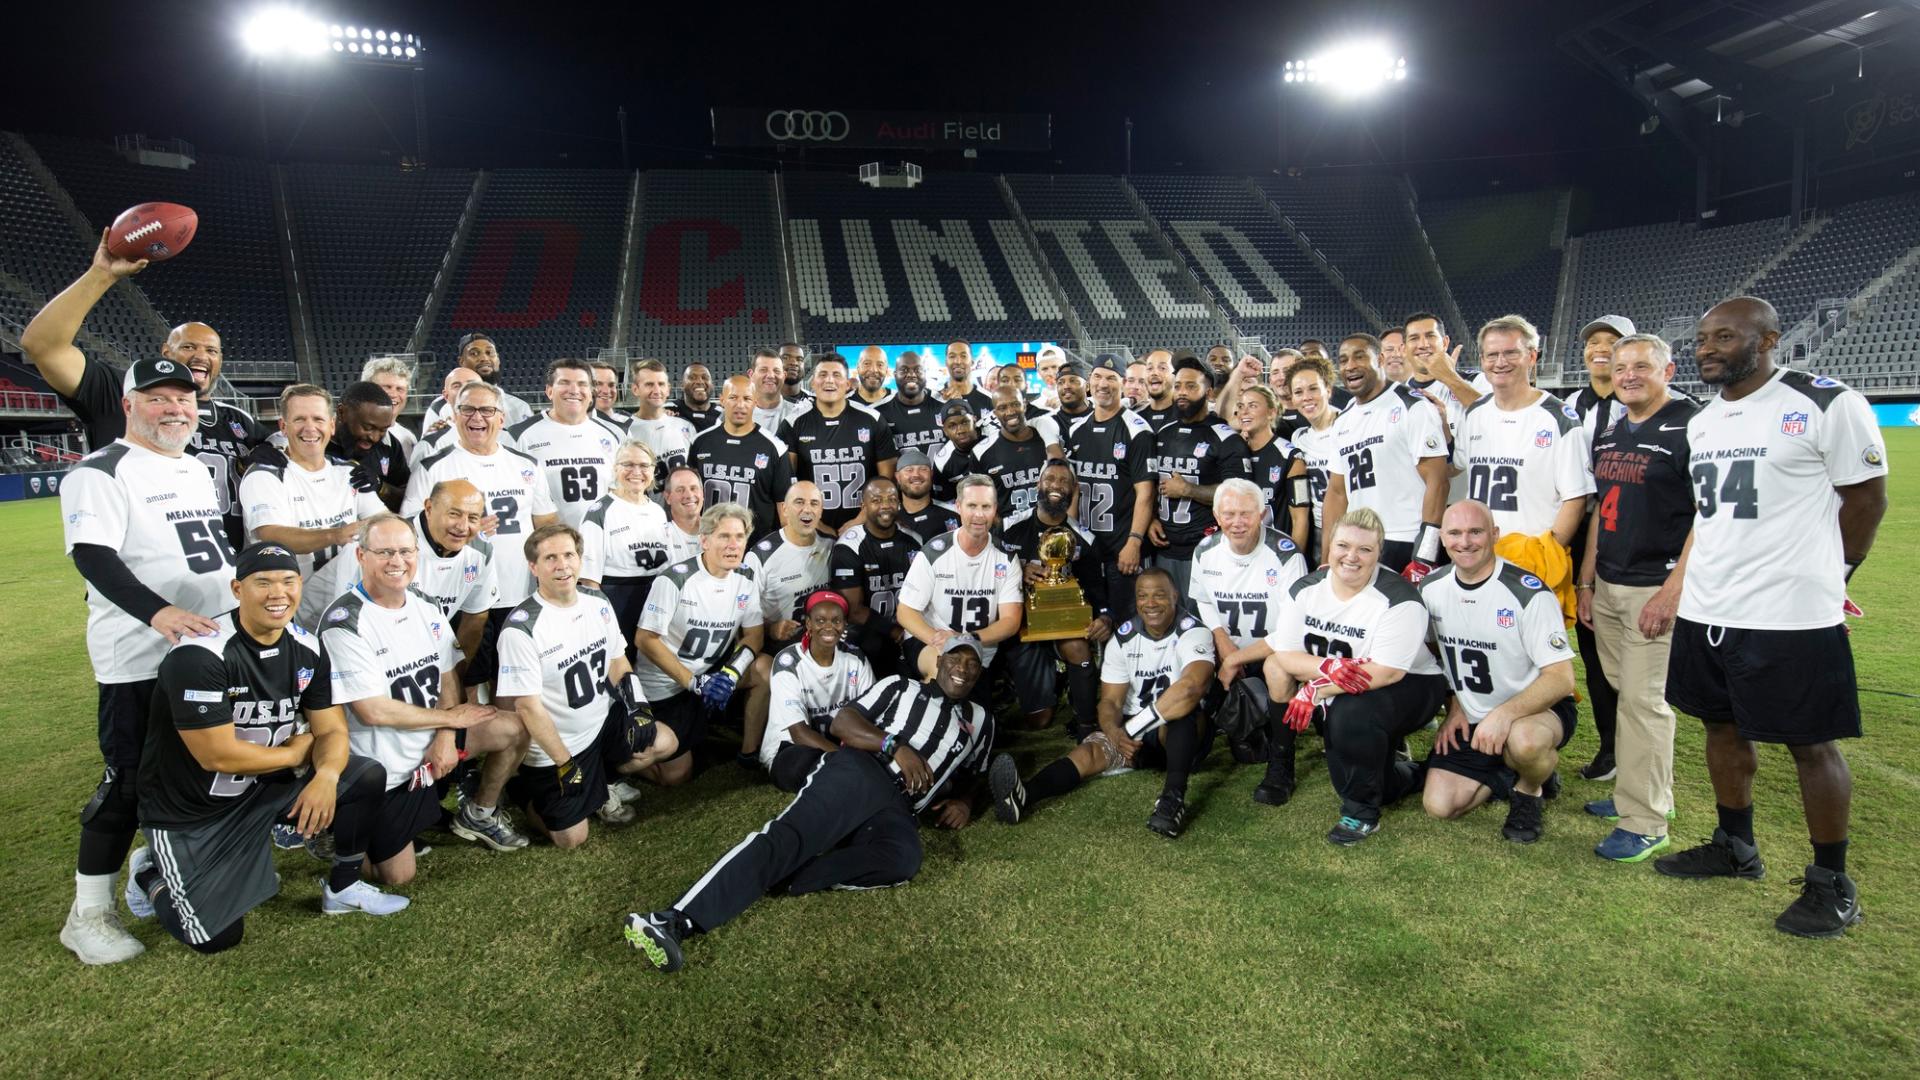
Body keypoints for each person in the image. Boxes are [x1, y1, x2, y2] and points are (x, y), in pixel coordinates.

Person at [1654, 296, 1887, 939]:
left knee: (1810, 743)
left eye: (1725, 337)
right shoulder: (1704, 421)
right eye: (1702, 338)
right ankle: (1736, 846)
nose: (1707, 348)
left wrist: (1834, 577)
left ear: (1769, 339)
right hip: (1710, 604)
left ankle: (1833, 883)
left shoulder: (1824, 401)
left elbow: (1866, 499)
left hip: (1789, 612)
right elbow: (1710, 515)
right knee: (1721, 727)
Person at [623, 635, 994, 973]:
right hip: (863, 771)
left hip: (901, 810)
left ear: (979, 672)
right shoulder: (901, 686)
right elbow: (843, 723)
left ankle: (790, 877)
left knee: (903, 860)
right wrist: (894, 746)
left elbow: (978, 774)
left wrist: (963, 800)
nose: (962, 669)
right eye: (955, 659)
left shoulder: (981, 721)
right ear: (940, 660)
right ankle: (673, 920)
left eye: (972, 664)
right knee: (790, 836)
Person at [126, 543, 400, 956]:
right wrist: (294, 755)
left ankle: (343, 887)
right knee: (214, 937)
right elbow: (217, 755)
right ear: (237, 589)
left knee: (362, 775)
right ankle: (150, 875)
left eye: (289, 581)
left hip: (260, 790)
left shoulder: (305, 646)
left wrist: (325, 776)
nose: (278, 593)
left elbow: (331, 731)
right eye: (263, 582)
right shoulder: (202, 654)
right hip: (193, 810)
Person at [57, 357, 240, 965]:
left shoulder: (190, 467)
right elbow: (93, 557)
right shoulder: (100, 470)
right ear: (129, 404)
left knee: (195, 771)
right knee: (128, 781)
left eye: (183, 398)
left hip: (205, 652)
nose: (175, 408)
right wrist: (157, 612)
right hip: (138, 658)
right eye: (158, 397)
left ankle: (154, 863)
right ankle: (87, 915)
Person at [23, 234, 269, 547]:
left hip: (229, 579)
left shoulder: (239, 422)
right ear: (167, 353)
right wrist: (102, 275)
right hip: (148, 580)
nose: (202, 356)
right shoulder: (122, 394)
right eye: (189, 346)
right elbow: (42, 345)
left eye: (212, 350)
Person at [1219, 509, 1449, 844]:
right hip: (1347, 681)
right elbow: (1285, 652)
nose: (1351, 557)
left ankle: (1360, 814)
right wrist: (1326, 669)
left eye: (1365, 550)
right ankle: (1287, 765)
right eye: (1343, 545)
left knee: (1349, 714)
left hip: (1410, 684)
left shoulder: (1399, 598)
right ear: (1329, 545)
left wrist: (1317, 690)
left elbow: (1386, 672)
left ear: (1379, 553)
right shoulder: (1307, 588)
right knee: (1276, 668)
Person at [321, 514, 533, 875]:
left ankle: (479, 812)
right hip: (382, 761)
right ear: (361, 556)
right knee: (398, 877)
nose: (397, 561)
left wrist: (447, 737)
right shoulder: (345, 621)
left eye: (406, 551)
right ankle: (336, 824)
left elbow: (447, 673)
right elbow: (373, 712)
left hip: (431, 735)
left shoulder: (425, 603)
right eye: (385, 552)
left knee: (515, 727)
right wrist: (449, 720)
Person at [1576, 334, 1696, 863]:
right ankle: (1647, 793)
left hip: (1655, 584)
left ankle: (1644, 820)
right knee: (1629, 696)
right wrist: (1586, 580)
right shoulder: (1611, 430)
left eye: (1641, 366)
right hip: (1609, 581)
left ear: (1667, 369)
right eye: (1621, 366)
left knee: (1645, 703)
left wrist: (1674, 590)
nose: (1628, 375)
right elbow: (1602, 511)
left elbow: (1708, 518)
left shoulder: (1692, 426)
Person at [988, 569, 1216, 837]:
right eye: (1143, 596)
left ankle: (1172, 800)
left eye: (1159, 595)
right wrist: (1113, 731)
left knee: (1180, 713)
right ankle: (1024, 795)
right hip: (1136, 737)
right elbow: (1110, 702)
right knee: (1090, 751)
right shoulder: (1124, 638)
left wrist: (1130, 729)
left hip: (1180, 736)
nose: (1150, 603)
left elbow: (1191, 688)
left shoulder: (1194, 632)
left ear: (1175, 596)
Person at [1419, 501, 1579, 844]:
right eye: (1455, 533)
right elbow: (1433, 654)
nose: (1465, 542)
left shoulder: (1527, 592)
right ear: (1443, 539)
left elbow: (1562, 678)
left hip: (1537, 709)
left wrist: (1504, 715)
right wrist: (1455, 704)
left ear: (1494, 535)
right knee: (1439, 806)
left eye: (1476, 532)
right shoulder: (1430, 589)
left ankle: (1530, 789)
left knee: (1525, 742)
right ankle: (1511, 768)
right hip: (1473, 711)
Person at [494, 525, 655, 845]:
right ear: (533, 567)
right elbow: (526, 706)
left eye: (568, 554)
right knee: (571, 838)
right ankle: (522, 790)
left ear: (580, 559)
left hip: (599, 723)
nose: (562, 564)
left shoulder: (596, 600)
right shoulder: (521, 627)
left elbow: (617, 660)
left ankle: (600, 783)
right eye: (550, 557)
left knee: (659, 743)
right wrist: (563, 760)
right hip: (559, 742)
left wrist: (638, 705)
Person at [298, 480, 496, 679]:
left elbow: (475, 617)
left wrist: (455, 678)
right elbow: (351, 624)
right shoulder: (380, 541)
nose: (462, 526)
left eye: (473, 518)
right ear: (428, 508)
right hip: (318, 640)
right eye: (454, 514)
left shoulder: (482, 551)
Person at [631, 504, 765, 787]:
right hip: (668, 685)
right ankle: (612, 766)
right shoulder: (675, 579)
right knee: (677, 777)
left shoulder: (747, 578)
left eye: (739, 537)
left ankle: (749, 753)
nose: (733, 545)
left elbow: (754, 635)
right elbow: (644, 639)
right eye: (724, 536)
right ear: (704, 540)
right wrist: (694, 683)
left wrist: (731, 674)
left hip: (712, 672)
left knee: (765, 669)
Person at [403, 381, 559, 619]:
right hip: (458, 597)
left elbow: (546, 524)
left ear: (501, 419)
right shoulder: (432, 468)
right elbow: (409, 532)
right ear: (455, 416)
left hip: (520, 592)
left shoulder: (527, 465)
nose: (477, 417)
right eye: (467, 409)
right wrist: (461, 532)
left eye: (487, 410)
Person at [1451, 315, 1592, 552]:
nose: (1500, 362)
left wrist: (1548, 554)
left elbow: (1575, 499)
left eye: (1511, 353)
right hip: (1478, 555)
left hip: (1532, 557)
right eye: (1492, 355)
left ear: (1532, 356)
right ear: (1482, 360)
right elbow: (1454, 467)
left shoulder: (1559, 418)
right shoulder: (1474, 413)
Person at [1565, 314, 1636, 782]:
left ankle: (1632, 752)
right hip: (1579, 536)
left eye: (1611, 342)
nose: (1600, 349)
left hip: (1628, 539)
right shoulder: (1572, 403)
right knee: (1589, 649)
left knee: (1626, 654)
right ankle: (1611, 748)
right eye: (1593, 342)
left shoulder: (1642, 403)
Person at [1320, 333, 1450, 576]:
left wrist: (1425, 554)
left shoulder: (1412, 406)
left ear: (1380, 359)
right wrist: (1328, 556)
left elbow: (1438, 482)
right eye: (1344, 360)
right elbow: (1337, 493)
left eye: (1360, 357)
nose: (1350, 366)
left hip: (1406, 539)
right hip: (1360, 542)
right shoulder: (1343, 420)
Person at [996, 460, 1110, 735]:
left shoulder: (1085, 539)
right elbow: (986, 574)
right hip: (1021, 627)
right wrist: (1017, 569)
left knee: (1079, 649)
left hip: (1062, 622)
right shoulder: (1008, 528)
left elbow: (1095, 587)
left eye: (1063, 481)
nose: (1056, 486)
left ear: (1074, 489)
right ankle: (1051, 679)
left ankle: (1086, 723)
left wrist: (1106, 615)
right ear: (1038, 484)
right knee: (1040, 721)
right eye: (1050, 479)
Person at [239, 385, 383, 580]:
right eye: (299, 419)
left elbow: (384, 520)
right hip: (287, 600)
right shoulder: (264, 475)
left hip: (345, 596)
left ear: (332, 425)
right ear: (283, 426)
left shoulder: (349, 471)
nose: (310, 428)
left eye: (318, 419)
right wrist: (337, 535)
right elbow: (271, 534)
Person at [895, 475, 1023, 681]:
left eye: (986, 506)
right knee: (944, 671)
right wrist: (941, 641)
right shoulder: (934, 552)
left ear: (995, 508)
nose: (979, 515)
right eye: (971, 505)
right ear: (958, 507)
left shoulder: (1006, 558)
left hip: (979, 644)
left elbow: (1010, 621)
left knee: (974, 704)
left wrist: (966, 639)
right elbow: (905, 611)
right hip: (931, 640)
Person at [740, 483, 834, 760]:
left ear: (821, 510)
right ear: (784, 509)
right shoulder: (762, 555)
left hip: (818, 637)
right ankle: (752, 749)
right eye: (799, 503)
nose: (807, 510)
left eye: (814, 504)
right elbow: (742, 618)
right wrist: (771, 628)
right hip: (774, 641)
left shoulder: (830, 547)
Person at [1063, 354, 1156, 625]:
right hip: (1087, 549)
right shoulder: (1077, 429)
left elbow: (1146, 494)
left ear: (1123, 384)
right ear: (1089, 384)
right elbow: (1074, 489)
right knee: (1087, 624)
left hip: (1121, 549)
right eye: (1098, 377)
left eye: (1111, 378)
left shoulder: (1137, 430)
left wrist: (1134, 541)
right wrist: (1071, 534)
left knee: (1126, 623)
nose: (1103, 384)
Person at [758, 591, 876, 790]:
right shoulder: (788, 662)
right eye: (820, 620)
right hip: (793, 747)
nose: (829, 627)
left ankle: (846, 776)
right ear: (808, 624)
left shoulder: (856, 658)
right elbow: (799, 733)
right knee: (797, 767)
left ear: (844, 624)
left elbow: (871, 713)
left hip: (839, 744)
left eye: (836, 621)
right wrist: (849, 760)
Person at [1146, 356, 1235, 598]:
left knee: (1205, 622)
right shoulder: (1163, 433)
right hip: (1164, 548)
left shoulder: (1225, 437)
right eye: (1178, 386)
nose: (1182, 392)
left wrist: (1188, 490)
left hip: (1207, 549)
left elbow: (1236, 495)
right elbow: (1152, 484)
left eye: (1191, 386)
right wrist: (1152, 517)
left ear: (1209, 393)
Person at [780, 353, 897, 532]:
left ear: (848, 384)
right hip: (811, 528)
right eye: (822, 375)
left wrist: (860, 520)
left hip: (865, 527)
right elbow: (785, 485)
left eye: (836, 375)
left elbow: (886, 482)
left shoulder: (872, 420)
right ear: (812, 382)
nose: (829, 381)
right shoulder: (794, 423)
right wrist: (815, 524)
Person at [504, 360, 626, 529]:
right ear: (549, 391)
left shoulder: (611, 436)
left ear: (592, 393)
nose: (574, 390)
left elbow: (618, 492)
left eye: (582, 384)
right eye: (564, 383)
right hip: (548, 544)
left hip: (601, 542)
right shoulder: (519, 436)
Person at [580, 440, 670, 660]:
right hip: (618, 599)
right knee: (621, 665)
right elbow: (589, 580)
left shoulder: (657, 511)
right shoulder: (600, 511)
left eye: (644, 465)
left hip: (656, 598)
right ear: (615, 468)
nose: (636, 472)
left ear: (653, 470)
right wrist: (602, 620)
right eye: (628, 464)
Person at [831, 476, 922, 678]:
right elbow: (853, 611)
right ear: (863, 506)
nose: (885, 506)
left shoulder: (913, 541)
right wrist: (894, 631)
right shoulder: (849, 546)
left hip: (908, 624)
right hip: (870, 629)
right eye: (876, 500)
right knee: (868, 642)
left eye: (891, 499)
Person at [690, 374, 794, 542]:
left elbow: (784, 511)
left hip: (757, 547)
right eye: (733, 397)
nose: (740, 405)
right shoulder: (700, 443)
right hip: (709, 543)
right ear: (722, 400)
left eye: (747, 398)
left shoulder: (775, 447)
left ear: (755, 402)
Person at [1218, 384, 1309, 550]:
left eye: (1252, 405)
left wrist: (1294, 560)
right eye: (1240, 406)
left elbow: (1300, 519)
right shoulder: (1231, 452)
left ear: (1271, 413)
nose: (1244, 412)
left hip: (1275, 552)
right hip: (1239, 552)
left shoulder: (1291, 456)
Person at [973, 384, 1062, 516]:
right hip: (1010, 531)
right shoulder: (981, 452)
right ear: (995, 413)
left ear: (1024, 405)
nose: (1010, 412)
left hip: (1051, 526)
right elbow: (980, 501)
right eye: (1002, 408)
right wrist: (1000, 528)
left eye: (1015, 404)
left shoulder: (1047, 438)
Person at [1285, 356, 1342, 561]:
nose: (1306, 397)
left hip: (1354, 528)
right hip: (1317, 530)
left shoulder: (1350, 425)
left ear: (1328, 389)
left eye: (1313, 389)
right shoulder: (1299, 438)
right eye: (1298, 392)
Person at [422, 333, 533, 429]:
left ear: (498, 360)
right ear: (461, 361)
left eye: (490, 352)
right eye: (474, 353)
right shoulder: (440, 407)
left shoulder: (519, 406)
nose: (484, 358)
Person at [333, 381, 411, 512]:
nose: (374, 437)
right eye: (368, 428)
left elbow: (408, 499)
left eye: (382, 430)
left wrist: (381, 487)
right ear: (342, 413)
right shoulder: (315, 446)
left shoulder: (389, 445)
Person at [627, 359, 698, 491]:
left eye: (661, 384)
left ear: (668, 389)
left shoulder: (686, 426)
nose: (656, 390)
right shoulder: (626, 431)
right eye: (649, 384)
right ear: (635, 389)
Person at [873, 351, 945, 458]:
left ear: (925, 373)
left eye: (918, 370)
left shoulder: (944, 404)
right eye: (904, 370)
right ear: (895, 374)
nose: (911, 375)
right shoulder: (878, 412)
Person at [410, 367, 483, 464]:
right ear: (446, 396)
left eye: (472, 384)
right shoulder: (430, 445)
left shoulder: (504, 435)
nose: (465, 390)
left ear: (485, 391)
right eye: (457, 386)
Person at [894, 448, 961, 540]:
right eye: (909, 470)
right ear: (898, 477)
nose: (916, 475)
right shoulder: (890, 517)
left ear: (931, 474)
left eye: (923, 469)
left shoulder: (956, 513)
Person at [360, 356, 418, 459]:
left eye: (400, 389)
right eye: (387, 387)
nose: (393, 394)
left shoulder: (409, 439)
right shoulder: (347, 434)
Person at [928, 399, 985, 502]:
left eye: (965, 422)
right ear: (945, 431)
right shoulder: (942, 462)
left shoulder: (993, 439)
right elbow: (945, 502)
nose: (960, 430)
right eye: (952, 426)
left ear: (975, 421)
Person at [659, 464, 707, 567]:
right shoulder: (659, 537)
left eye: (693, 488)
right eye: (680, 490)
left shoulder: (718, 533)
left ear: (702, 494)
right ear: (667, 497)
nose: (689, 495)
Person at [938, 340, 995, 421]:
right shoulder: (935, 398)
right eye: (952, 356)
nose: (958, 361)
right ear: (946, 362)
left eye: (963, 356)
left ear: (972, 362)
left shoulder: (989, 400)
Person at [749, 347, 803, 432]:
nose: (770, 375)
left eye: (776, 371)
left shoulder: (799, 413)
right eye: (763, 370)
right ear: (751, 375)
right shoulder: (736, 414)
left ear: (784, 376)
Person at [1136, 349, 1182, 430]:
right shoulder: (1135, 418)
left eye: (1162, 368)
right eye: (1149, 368)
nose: (1154, 373)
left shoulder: (1189, 417)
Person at [671, 362, 719, 431]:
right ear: (682, 385)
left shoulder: (724, 416)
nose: (700, 381)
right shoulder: (668, 411)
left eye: (705, 377)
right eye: (692, 378)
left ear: (712, 384)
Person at [589, 359, 632, 431]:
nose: (606, 391)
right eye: (598, 384)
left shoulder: (631, 422)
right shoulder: (574, 425)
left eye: (611, 385)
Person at [1051, 355, 1093, 425]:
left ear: (1087, 386)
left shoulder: (1104, 417)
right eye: (1061, 382)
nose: (1066, 386)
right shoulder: (1050, 423)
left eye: (1073, 381)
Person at [779, 342, 812, 407]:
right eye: (786, 358)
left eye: (800, 359)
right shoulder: (758, 404)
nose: (794, 363)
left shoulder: (817, 403)